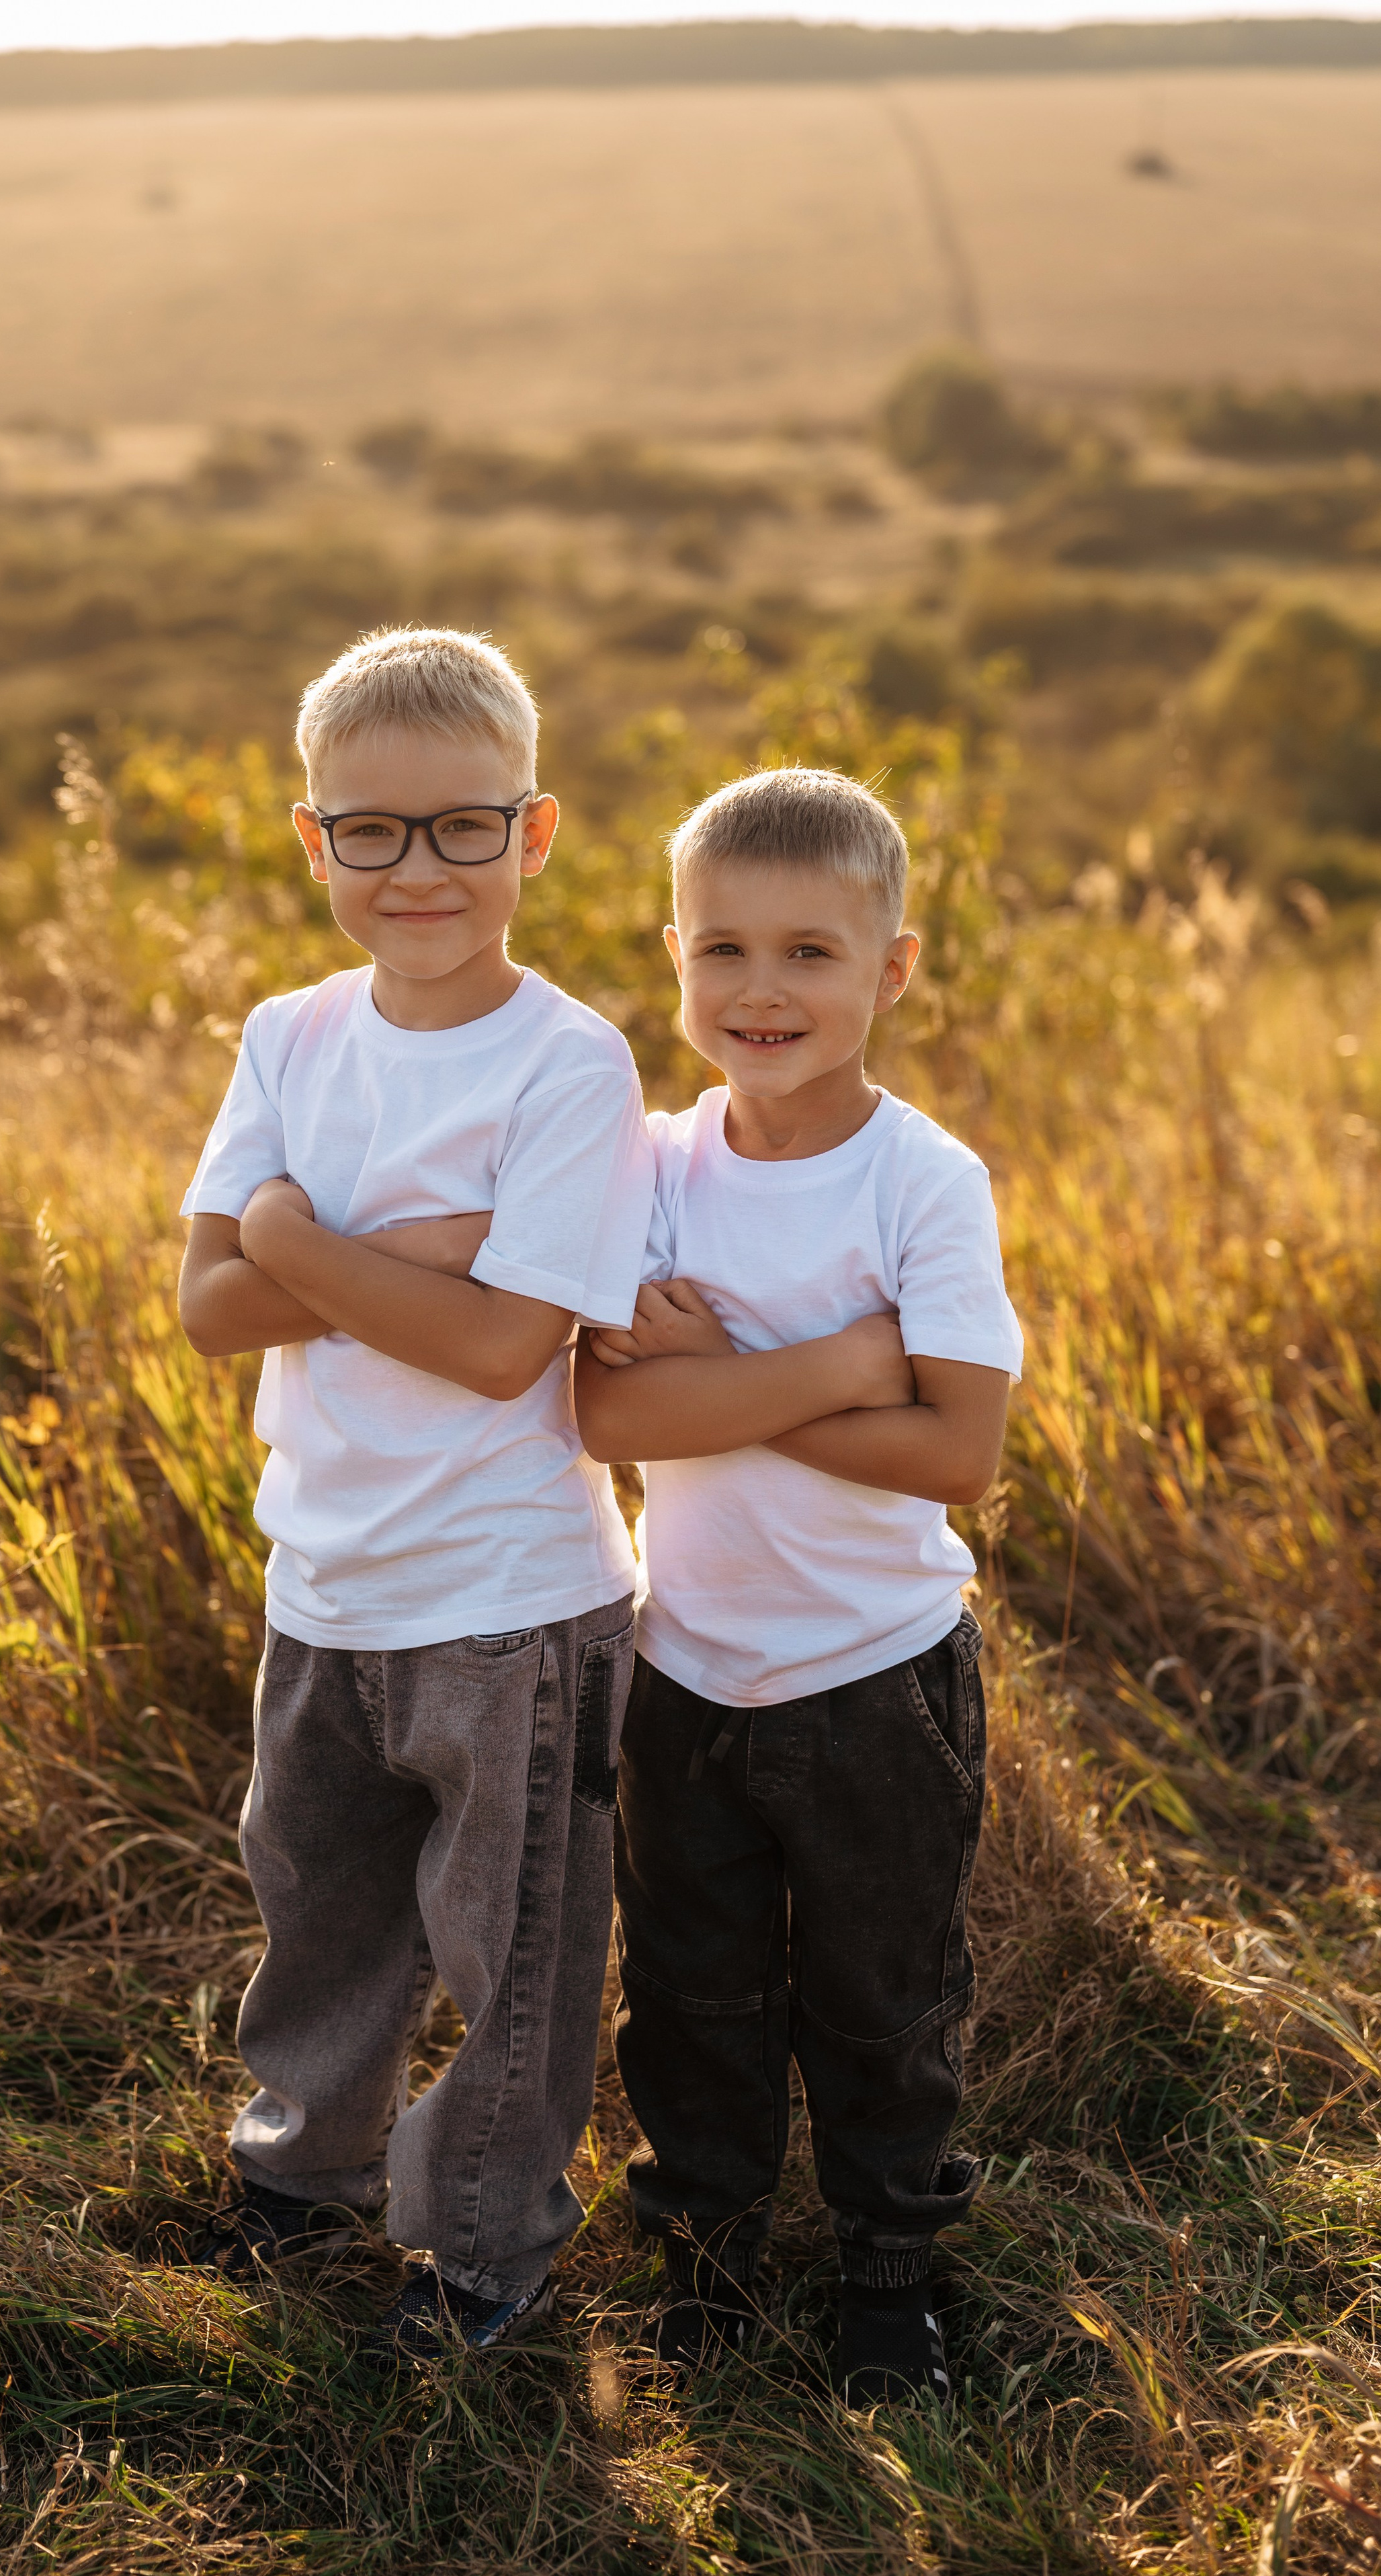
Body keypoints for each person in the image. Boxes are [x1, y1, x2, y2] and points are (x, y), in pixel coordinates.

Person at [177, 626, 657, 2365]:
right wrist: (415, 1253)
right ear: (314, 842)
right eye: (370, 832)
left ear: (533, 836)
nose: (418, 870)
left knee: (513, 1953)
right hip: (326, 1581)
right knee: (319, 1909)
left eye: (463, 829)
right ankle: (297, 2178)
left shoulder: (569, 1064)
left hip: (512, 1604)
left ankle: (479, 2252)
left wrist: (304, 1233)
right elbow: (207, 1306)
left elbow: (504, 1347)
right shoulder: (290, 1037)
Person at [574, 765, 1023, 2407]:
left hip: (875, 1675)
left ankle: (889, 2274)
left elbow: (955, 1450)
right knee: (687, 1993)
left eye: (811, 955)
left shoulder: (922, 1181)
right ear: (673, 954)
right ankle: (702, 2261)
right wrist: (844, 1363)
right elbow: (612, 1411)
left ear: (890, 969)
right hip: (682, 1672)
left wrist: (738, 1369)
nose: (761, 991)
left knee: (879, 1996)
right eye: (722, 950)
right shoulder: (644, 1165)